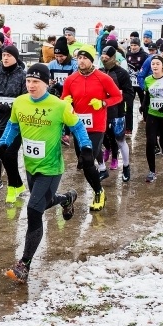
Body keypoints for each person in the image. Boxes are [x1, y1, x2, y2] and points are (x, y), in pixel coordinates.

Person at [0, 64, 89, 284]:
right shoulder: (20, 102)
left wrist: (86, 146)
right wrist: (4, 142)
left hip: (51, 168)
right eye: (28, 81)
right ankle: (66, 198)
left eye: (36, 82)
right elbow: (12, 126)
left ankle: (24, 264)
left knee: (33, 210)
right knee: (42, 203)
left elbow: (78, 127)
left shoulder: (60, 106)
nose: (31, 85)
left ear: (47, 83)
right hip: (31, 166)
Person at [61, 50, 123, 210]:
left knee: (88, 159)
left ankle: (98, 192)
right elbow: (63, 99)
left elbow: (118, 96)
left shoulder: (103, 78)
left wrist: (103, 103)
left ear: (91, 60)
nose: (81, 61)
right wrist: (65, 102)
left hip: (96, 126)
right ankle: (99, 188)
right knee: (83, 162)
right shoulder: (71, 79)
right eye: (79, 58)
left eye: (84, 58)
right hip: (78, 126)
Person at [0, 45, 27, 201]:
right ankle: (18, 184)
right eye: (3, 55)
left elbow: (26, 98)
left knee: (10, 154)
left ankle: (12, 188)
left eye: (9, 55)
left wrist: (9, 107)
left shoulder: (23, 76)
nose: (6, 58)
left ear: (15, 57)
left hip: (16, 123)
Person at [99, 45, 134, 182]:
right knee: (102, 137)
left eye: (107, 57)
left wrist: (116, 95)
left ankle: (126, 166)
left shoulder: (122, 73)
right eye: (102, 57)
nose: (104, 60)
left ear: (113, 57)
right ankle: (107, 152)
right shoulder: (99, 72)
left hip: (117, 112)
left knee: (120, 140)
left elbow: (130, 94)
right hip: (101, 111)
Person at [143, 55, 163, 183]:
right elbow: (147, 96)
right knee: (150, 142)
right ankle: (152, 171)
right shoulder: (148, 79)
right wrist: (143, 107)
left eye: (157, 64)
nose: (155, 66)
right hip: (153, 114)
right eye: (153, 64)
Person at [125, 38, 148, 133]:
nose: (133, 47)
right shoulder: (128, 54)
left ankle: (146, 120)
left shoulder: (144, 55)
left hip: (141, 83)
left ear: (139, 46)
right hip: (131, 84)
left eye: (135, 45)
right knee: (129, 105)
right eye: (132, 45)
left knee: (144, 102)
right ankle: (128, 128)